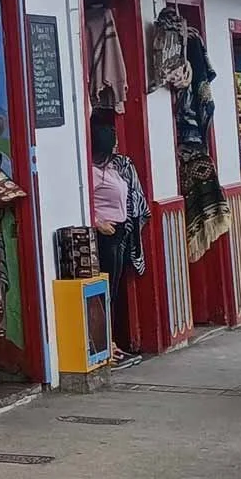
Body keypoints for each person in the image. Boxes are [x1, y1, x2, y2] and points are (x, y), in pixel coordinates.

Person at [88, 110, 148, 357]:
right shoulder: (92, 172)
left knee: (113, 289)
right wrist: (97, 222)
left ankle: (109, 341)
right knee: (105, 289)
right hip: (107, 234)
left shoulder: (112, 169)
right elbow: (81, 202)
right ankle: (105, 343)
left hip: (120, 232)